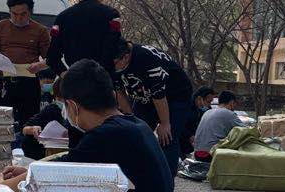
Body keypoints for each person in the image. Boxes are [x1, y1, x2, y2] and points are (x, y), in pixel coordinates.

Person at [1, 60, 174, 192]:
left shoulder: (106, 136)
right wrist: (28, 170)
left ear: (73, 106)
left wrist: (3, 186)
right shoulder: (136, 126)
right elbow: (63, 165)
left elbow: (46, 178)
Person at [106, 32, 194, 173]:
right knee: (135, 134)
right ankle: (137, 174)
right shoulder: (112, 62)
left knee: (167, 138)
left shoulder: (146, 58)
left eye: (114, 64)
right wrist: (130, 119)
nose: (112, 67)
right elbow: (119, 92)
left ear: (126, 56)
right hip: (144, 98)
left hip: (174, 96)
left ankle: (166, 178)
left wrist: (164, 123)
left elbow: (158, 94)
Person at [0, 0, 51, 128]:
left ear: (30, 12)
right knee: (1, 123)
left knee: (29, 122)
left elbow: (50, 59)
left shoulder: (40, 30)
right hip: (5, 81)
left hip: (29, 82)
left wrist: (39, 65)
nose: (18, 18)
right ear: (9, 11)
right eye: (14, 14)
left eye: (23, 14)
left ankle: (26, 141)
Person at [43, 0, 122, 77]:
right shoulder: (111, 15)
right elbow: (114, 48)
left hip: (75, 79)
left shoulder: (63, 17)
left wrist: (64, 74)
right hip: (102, 80)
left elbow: (52, 57)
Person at [191, 90, 247, 157]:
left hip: (197, 152)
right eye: (235, 104)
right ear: (231, 103)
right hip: (211, 154)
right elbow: (246, 131)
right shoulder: (229, 113)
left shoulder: (207, 112)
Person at [182, 85, 216, 152]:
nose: (209, 105)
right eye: (208, 102)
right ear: (199, 98)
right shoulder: (186, 108)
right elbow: (180, 126)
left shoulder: (207, 110)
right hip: (183, 145)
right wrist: (189, 136)